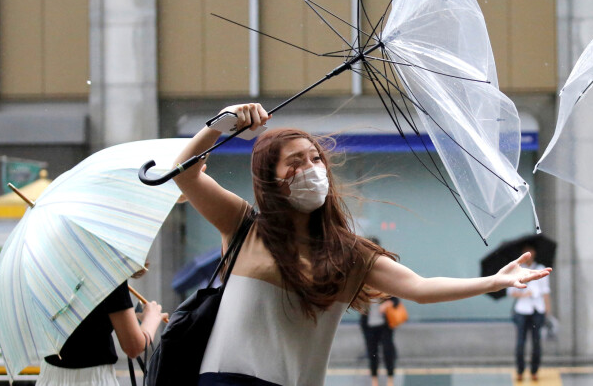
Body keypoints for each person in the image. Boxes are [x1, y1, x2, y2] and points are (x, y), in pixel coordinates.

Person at [173, 103, 552, 386]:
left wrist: (493, 282)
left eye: (315, 158)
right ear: (268, 178)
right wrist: (221, 123)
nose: (311, 168)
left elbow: (419, 288)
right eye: (295, 162)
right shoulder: (244, 225)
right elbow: (184, 172)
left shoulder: (350, 253)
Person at [37, 264, 168, 386]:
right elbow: (133, 346)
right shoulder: (107, 267)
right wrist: (152, 318)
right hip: (92, 379)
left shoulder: (47, 261)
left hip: (49, 376)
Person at [508, 244, 551, 382]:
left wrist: (547, 309)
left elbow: (545, 291)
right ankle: (520, 370)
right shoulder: (517, 270)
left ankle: (534, 370)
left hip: (537, 310)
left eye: (531, 251)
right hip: (522, 310)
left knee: (536, 342)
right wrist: (524, 294)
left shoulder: (540, 268)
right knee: (521, 342)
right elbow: (510, 291)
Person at [359, 237, 398, 386]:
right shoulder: (361, 273)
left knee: (388, 350)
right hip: (368, 322)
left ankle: (390, 379)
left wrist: (387, 304)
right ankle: (374, 380)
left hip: (385, 322)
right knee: (372, 352)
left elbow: (396, 298)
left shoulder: (386, 271)